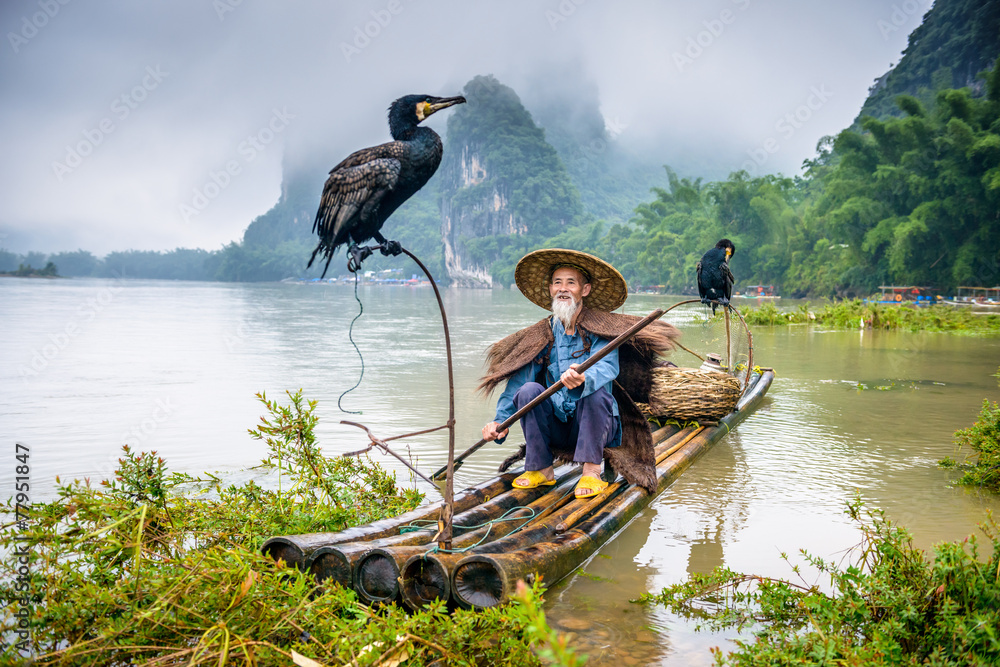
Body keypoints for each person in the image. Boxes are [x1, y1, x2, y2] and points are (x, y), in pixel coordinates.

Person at [479, 249, 680, 498]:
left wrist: (584, 379)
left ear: (584, 290)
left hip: (597, 428)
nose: (563, 289)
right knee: (528, 391)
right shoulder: (543, 334)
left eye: (570, 283)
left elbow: (608, 367)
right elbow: (519, 382)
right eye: (557, 283)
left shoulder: (600, 329)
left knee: (594, 394)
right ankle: (541, 469)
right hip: (559, 428)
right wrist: (500, 422)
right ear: (551, 290)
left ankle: (592, 472)